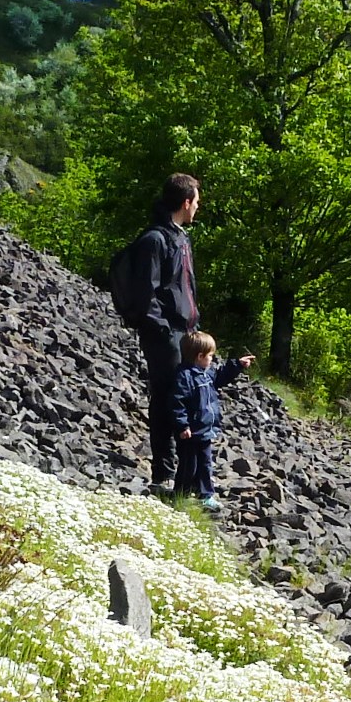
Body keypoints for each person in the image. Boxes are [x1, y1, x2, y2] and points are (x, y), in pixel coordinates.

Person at [124, 174, 202, 495]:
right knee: (166, 400)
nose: (197, 208)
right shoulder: (154, 240)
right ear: (185, 203)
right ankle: (163, 474)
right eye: (196, 202)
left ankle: (185, 476)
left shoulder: (181, 239)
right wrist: (165, 331)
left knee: (185, 399)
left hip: (186, 333)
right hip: (166, 336)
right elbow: (146, 295)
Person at [170, 331, 254, 509]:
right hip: (190, 432)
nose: (212, 360)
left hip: (205, 430)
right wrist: (182, 425)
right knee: (188, 465)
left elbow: (221, 376)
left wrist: (237, 365)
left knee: (205, 464)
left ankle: (205, 495)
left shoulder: (206, 373)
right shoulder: (184, 376)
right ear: (200, 356)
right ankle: (180, 495)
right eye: (210, 356)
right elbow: (178, 403)